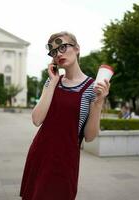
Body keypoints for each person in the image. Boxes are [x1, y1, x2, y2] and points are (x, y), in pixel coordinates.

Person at [20, 31, 110, 200]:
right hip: (41, 154)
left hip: (65, 161)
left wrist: (98, 103)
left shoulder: (93, 88)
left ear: (76, 49)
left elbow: (89, 137)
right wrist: (53, 82)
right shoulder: (52, 81)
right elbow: (36, 119)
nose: (59, 54)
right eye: (54, 51)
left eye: (62, 47)